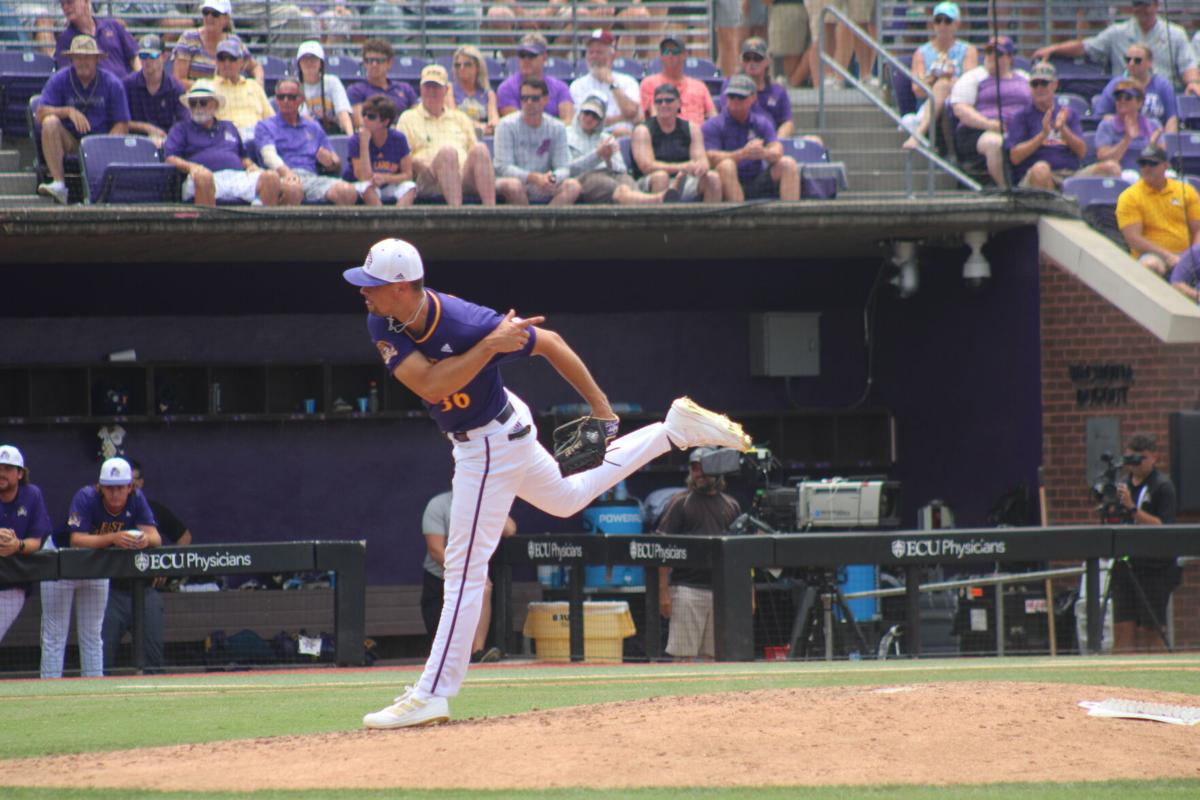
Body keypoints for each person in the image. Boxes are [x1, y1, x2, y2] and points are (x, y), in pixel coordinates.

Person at [348, 237, 752, 728]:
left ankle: (433, 692)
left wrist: (602, 408)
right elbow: (431, 385)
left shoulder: (465, 320)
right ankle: (671, 432)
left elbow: (553, 344)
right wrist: (488, 351)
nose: (364, 293)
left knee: (463, 571)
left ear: (404, 288)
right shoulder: (382, 320)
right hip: (487, 432)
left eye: (374, 285)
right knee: (566, 499)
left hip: (490, 441)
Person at [41, 457, 160, 679]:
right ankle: (49, 688)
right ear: (100, 487)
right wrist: (115, 537)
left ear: (130, 487)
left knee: (93, 634)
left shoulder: (137, 499)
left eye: (120, 488)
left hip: (97, 564)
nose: (115, 494)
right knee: (55, 634)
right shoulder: (86, 496)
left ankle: (94, 688)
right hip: (62, 560)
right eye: (109, 488)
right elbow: (77, 539)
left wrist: (144, 540)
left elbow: (156, 537)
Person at [102, 458, 192, 672]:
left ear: (139, 483)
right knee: (102, 657)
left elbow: (184, 537)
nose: (124, 488)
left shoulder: (152, 509)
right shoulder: (103, 511)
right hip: (111, 591)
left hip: (146, 590)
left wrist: (165, 567)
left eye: (131, 481)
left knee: (153, 659)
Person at [657, 447, 742, 661]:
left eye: (703, 468)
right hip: (687, 590)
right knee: (683, 658)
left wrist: (748, 594)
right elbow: (662, 549)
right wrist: (664, 592)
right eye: (694, 468)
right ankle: (678, 697)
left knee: (715, 658)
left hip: (722, 591)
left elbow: (742, 555)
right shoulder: (680, 502)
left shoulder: (731, 505)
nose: (699, 473)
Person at [420, 489, 514, 664]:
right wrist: (465, 573)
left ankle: (477, 652)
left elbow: (510, 529)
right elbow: (436, 550)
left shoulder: (484, 503)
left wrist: (492, 505)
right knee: (444, 651)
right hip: (440, 578)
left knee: (485, 587)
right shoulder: (439, 505)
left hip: (474, 574)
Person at [1032, 0, 1200, 97]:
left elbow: (1188, 64)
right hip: (1125, 93)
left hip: (1161, 93)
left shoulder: (1175, 33)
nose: (1143, 9)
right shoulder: (1118, 32)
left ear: (1156, 5)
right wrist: (1054, 49)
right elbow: (1086, 46)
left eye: (1147, 4)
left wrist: (1192, 82)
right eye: (1138, 5)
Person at [36, 34, 131, 205]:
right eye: (78, 57)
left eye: (87, 57)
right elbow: (40, 113)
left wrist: (104, 146)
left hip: (102, 143)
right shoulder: (60, 79)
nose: (83, 62)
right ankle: (59, 183)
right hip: (70, 142)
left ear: (96, 59)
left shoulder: (113, 84)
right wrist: (68, 111)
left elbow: (122, 123)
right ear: (71, 59)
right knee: (50, 122)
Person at [1110, 434, 1180, 652]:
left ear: (1154, 458)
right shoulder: (1122, 485)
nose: (1136, 464)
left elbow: (1162, 526)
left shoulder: (1162, 486)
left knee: (1153, 629)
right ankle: (1119, 681)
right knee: (1123, 627)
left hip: (1154, 567)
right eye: (1132, 458)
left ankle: (1157, 676)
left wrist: (1133, 508)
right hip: (1125, 563)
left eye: (1142, 458)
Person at [166, 81, 284, 207]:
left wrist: (251, 166)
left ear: (215, 105)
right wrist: (192, 167)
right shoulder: (181, 129)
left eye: (203, 102)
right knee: (203, 177)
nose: (198, 107)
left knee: (271, 177)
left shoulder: (229, 126)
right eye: (193, 103)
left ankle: (259, 224)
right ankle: (208, 226)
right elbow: (170, 158)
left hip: (237, 176)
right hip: (204, 177)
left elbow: (243, 157)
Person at [1007, 62, 1120, 191]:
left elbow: (1082, 152)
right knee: (1041, 169)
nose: (1039, 88)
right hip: (1035, 176)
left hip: (1071, 174)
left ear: (1055, 85)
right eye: (1035, 84)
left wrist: (1063, 129)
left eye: (1044, 83)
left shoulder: (1068, 114)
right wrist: (1042, 135)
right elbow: (1015, 157)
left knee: (1111, 168)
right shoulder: (1021, 116)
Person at [397, 64, 498, 207]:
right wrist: (417, 163)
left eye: (436, 87)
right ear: (421, 89)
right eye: (427, 86)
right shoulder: (407, 118)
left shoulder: (460, 117)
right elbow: (403, 157)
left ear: (446, 90)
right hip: (428, 177)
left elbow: (473, 150)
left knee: (480, 149)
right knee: (448, 153)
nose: (431, 91)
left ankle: (491, 212)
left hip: (462, 175)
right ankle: (456, 214)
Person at [255, 78, 358, 206]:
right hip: (282, 176)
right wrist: (288, 173)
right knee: (293, 190)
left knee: (347, 191)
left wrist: (331, 163)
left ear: (301, 99)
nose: (286, 101)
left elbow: (335, 163)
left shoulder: (313, 126)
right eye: (281, 97)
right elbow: (268, 156)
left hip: (311, 176)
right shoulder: (265, 125)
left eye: (291, 97)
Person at [949, 36, 1031, 188]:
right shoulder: (974, 77)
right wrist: (990, 124)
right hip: (978, 132)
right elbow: (961, 109)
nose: (992, 57)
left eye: (998, 54)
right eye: (988, 52)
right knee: (995, 143)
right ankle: (1007, 190)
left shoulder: (1024, 78)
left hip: (1019, 130)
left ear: (1010, 58)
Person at [703, 75, 800, 202]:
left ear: (753, 98)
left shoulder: (761, 122)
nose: (736, 101)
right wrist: (742, 154)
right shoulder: (713, 124)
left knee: (788, 163)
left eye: (741, 97)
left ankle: (791, 219)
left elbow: (777, 150)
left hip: (756, 178)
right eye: (732, 96)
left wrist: (764, 153)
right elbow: (710, 157)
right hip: (727, 182)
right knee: (726, 166)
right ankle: (740, 220)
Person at [567, 94, 676, 205]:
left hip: (613, 174)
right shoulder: (566, 135)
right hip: (585, 176)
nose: (589, 118)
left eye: (595, 116)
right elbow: (567, 169)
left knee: (626, 181)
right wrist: (597, 155)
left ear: (600, 120)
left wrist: (608, 159)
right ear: (579, 113)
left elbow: (622, 169)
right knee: (617, 188)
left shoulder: (606, 138)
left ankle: (651, 202)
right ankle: (657, 201)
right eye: (586, 113)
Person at [902, 2, 977, 152]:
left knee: (944, 85)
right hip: (927, 104)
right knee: (941, 85)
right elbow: (918, 90)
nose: (942, 25)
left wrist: (948, 79)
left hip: (958, 101)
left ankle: (919, 135)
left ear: (956, 24)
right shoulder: (921, 52)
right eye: (938, 20)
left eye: (947, 21)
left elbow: (971, 83)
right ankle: (948, 151)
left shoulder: (968, 50)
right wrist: (934, 77)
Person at [1116, 144, 1200, 276]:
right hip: (1153, 255)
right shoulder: (1130, 196)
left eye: (1152, 163)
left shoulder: (1185, 190)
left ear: (1166, 165)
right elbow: (1133, 238)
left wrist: (1193, 257)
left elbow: (1198, 229)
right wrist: (1167, 256)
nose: (1147, 168)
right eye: (1143, 164)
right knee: (1150, 265)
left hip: (1187, 255)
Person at [494, 77, 581, 207]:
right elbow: (503, 167)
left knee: (573, 186)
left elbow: (563, 167)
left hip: (545, 183)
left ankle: (546, 224)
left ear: (545, 99)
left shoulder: (557, 127)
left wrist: (552, 178)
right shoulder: (505, 125)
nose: (529, 102)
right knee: (513, 185)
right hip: (514, 181)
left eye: (535, 98)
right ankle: (526, 226)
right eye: (524, 98)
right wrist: (533, 177)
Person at [631, 83, 722, 203]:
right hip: (649, 181)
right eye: (659, 101)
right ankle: (658, 221)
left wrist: (700, 167)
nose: (664, 104)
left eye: (669, 100)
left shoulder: (692, 128)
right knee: (661, 177)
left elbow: (702, 160)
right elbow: (647, 166)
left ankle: (711, 221)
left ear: (679, 103)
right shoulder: (643, 130)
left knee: (712, 178)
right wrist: (682, 167)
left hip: (684, 180)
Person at [0, 445, 51, 647]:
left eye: (8, 469)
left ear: (20, 473)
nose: (2, 473)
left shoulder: (32, 495)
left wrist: (17, 545)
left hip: (13, 582)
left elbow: (36, 542)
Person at [172, 0, 261, 90]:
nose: (209, 17)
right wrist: (209, 89)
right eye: (206, 12)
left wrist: (257, 87)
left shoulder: (234, 42)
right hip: (196, 100)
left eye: (215, 14)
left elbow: (255, 67)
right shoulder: (189, 38)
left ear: (226, 18)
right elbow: (178, 79)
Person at [568, 28, 642, 137]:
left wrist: (612, 84)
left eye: (599, 52)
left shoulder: (628, 81)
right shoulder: (577, 85)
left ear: (612, 56)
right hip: (590, 136)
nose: (594, 57)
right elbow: (584, 121)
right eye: (590, 52)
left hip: (623, 137)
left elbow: (632, 113)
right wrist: (622, 118)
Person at [345, 94, 415, 207]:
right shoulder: (356, 140)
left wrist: (386, 178)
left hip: (387, 183)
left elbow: (408, 175)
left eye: (371, 117)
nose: (365, 119)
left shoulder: (399, 139)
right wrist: (364, 144)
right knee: (367, 187)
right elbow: (362, 176)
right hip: (359, 186)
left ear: (385, 122)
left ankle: (399, 221)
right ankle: (383, 223)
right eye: (364, 115)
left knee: (409, 187)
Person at [1090, 45, 1179, 134]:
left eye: (1137, 60)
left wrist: (1168, 142)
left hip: (1156, 137)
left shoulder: (1163, 85)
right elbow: (1101, 115)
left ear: (1149, 63)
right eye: (1128, 60)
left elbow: (1172, 118)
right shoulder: (1116, 84)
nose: (1131, 63)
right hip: (1122, 136)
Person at [719, 37, 795, 139]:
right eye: (747, 58)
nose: (752, 63)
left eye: (757, 58)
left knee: (814, 140)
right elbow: (728, 113)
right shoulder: (731, 85)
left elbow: (787, 122)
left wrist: (776, 140)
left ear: (767, 61)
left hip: (771, 139)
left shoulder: (778, 90)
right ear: (741, 61)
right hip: (738, 138)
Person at [1093, 79, 1164, 182]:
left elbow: (1162, 160)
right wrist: (1127, 139)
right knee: (1129, 176)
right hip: (1118, 177)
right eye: (1118, 97)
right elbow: (1104, 159)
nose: (1122, 101)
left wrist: (1152, 145)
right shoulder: (1106, 126)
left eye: (1128, 98)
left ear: (1140, 102)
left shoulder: (1153, 125)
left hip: (1147, 173)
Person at [122, 34, 186, 148]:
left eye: (153, 55)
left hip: (167, 143)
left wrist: (166, 139)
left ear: (164, 56)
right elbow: (120, 121)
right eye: (143, 55)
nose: (147, 60)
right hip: (134, 144)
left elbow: (183, 122)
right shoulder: (127, 84)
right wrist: (147, 128)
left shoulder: (175, 87)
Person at [640, 34, 717, 125]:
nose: (670, 55)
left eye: (675, 51)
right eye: (665, 51)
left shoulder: (699, 86)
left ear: (685, 55)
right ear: (660, 56)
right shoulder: (649, 83)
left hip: (698, 135)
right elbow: (648, 117)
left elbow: (713, 117)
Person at [496, 33, 574, 122]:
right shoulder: (507, 88)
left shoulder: (560, 87)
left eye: (531, 55)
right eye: (522, 55)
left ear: (544, 57)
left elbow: (568, 120)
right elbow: (514, 122)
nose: (526, 60)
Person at [53, 0, 139, 79]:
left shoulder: (113, 26)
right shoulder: (64, 40)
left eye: (70, 2)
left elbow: (135, 57)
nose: (65, 7)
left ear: (86, 1)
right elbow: (68, 76)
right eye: (62, 4)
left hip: (127, 89)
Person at [348, 38, 419, 131]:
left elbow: (418, 119)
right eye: (370, 60)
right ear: (364, 63)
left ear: (389, 63)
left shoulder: (405, 89)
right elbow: (360, 123)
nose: (374, 64)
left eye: (379, 60)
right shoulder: (356, 90)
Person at [211, 38, 273, 141]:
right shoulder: (208, 87)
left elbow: (270, 119)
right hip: (227, 140)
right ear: (216, 62)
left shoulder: (254, 86)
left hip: (258, 138)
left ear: (241, 62)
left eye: (232, 58)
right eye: (222, 59)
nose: (227, 63)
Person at [295, 40, 353, 137]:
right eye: (305, 59)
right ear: (299, 64)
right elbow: (304, 119)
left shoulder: (333, 82)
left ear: (321, 63)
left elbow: (343, 113)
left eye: (313, 59)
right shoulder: (294, 86)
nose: (309, 63)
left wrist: (350, 138)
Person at [447, 44, 499, 139]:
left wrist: (490, 127)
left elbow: (494, 120)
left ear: (478, 67)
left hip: (484, 136)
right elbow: (453, 117)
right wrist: (478, 126)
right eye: (458, 65)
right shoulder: (449, 90)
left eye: (467, 64)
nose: (462, 68)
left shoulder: (489, 94)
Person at [768, 0, 812, 88]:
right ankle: (791, 86)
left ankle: (791, 87)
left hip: (788, 9)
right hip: (797, 9)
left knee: (792, 60)